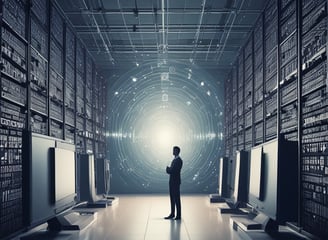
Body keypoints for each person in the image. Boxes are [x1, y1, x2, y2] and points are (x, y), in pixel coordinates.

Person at [164, 146, 183, 220]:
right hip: (172, 182)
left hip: (175, 182)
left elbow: (173, 171)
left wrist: (167, 169)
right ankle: (172, 214)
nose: (173, 151)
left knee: (177, 199)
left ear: (177, 152)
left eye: (174, 150)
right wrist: (170, 169)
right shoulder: (175, 160)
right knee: (172, 198)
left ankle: (178, 215)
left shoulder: (178, 160)